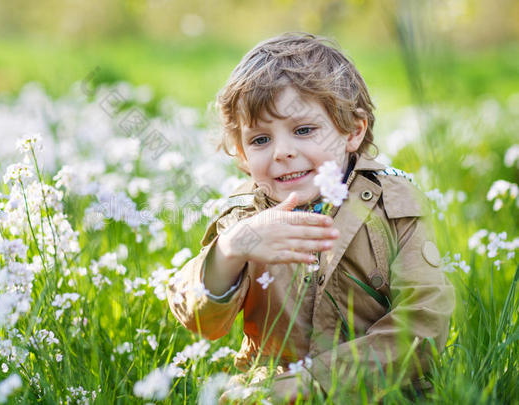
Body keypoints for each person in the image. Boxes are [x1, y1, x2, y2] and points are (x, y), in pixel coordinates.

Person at [167, 32, 455, 402]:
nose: (283, 152)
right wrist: (231, 249)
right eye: (260, 140)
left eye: (304, 130)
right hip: (269, 391)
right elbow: (203, 323)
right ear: (240, 154)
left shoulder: (395, 206)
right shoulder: (243, 218)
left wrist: (314, 382)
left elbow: (424, 321)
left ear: (353, 131)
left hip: (381, 390)